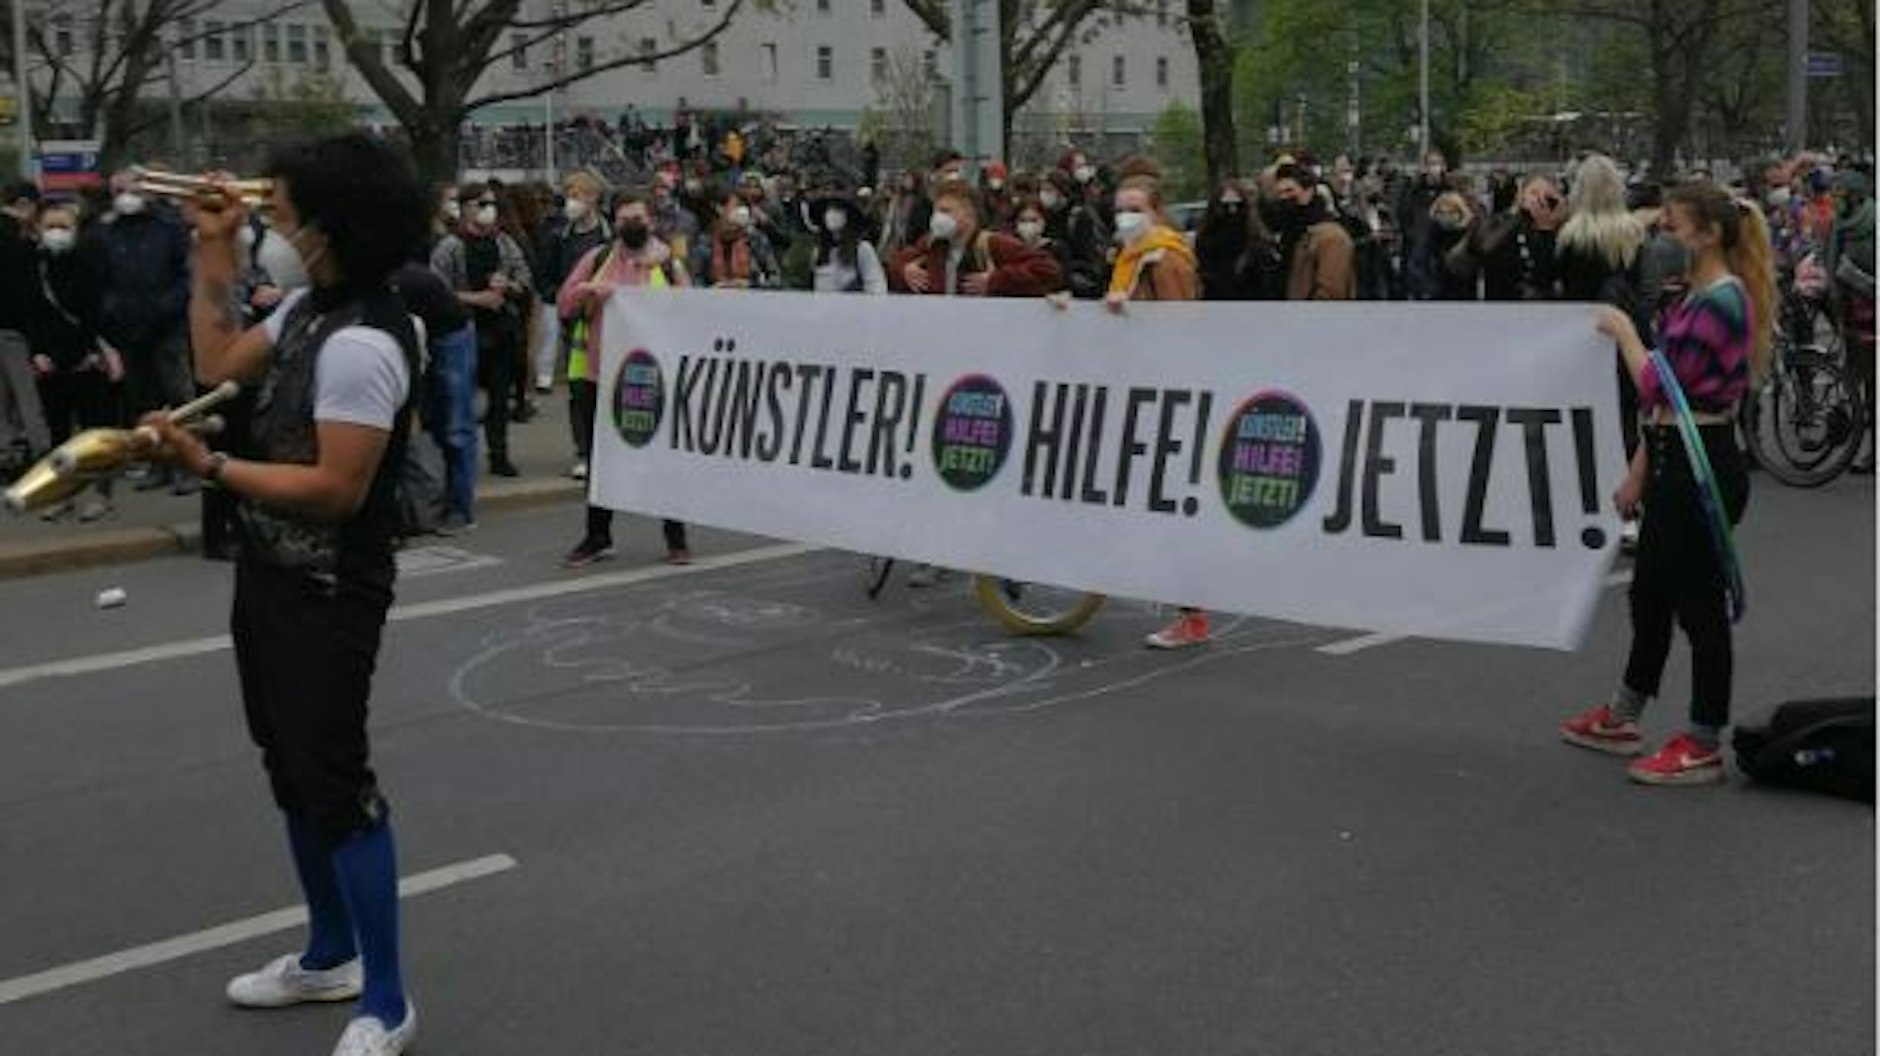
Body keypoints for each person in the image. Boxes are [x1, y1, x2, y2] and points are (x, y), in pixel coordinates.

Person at [138, 132, 430, 1055]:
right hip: (271, 573)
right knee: (291, 772)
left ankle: (384, 1000)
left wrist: (211, 463)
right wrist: (212, 246)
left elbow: (337, 490)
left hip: (331, 587)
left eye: (285, 214)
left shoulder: (364, 344)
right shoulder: (308, 308)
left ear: (329, 229)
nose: (277, 223)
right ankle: (329, 952)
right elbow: (218, 360)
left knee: (337, 785)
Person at [1561, 182, 1775, 787]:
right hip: (1674, 457)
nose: (1665, 238)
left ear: (1707, 234)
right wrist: (1638, 469)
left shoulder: (1723, 302)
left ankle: (1704, 739)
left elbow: (1661, 387)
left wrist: (1626, 333)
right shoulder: (1698, 296)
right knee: (1648, 594)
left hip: (1701, 466)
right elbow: (1665, 412)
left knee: (1699, 606)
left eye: (1674, 227)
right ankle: (1624, 713)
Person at [1092, 175, 1212, 650]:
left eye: (1136, 208)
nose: (1126, 216)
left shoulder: (1165, 258)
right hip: (1142, 391)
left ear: (1156, 212)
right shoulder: (1132, 257)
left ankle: (1192, 613)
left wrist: (1131, 318)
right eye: (1120, 208)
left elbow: (1179, 328)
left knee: (1169, 508)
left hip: (1166, 396)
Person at [559, 189, 694, 568]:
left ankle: (676, 537)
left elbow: (691, 314)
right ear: (613, 222)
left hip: (652, 379)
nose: (630, 225)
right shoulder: (597, 258)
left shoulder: (669, 264)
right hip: (597, 376)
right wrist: (589, 293)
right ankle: (597, 537)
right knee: (601, 463)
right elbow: (566, 303)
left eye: (637, 218)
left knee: (662, 458)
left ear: (651, 220)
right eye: (623, 219)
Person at [1557, 153, 1650, 545]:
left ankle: (1588, 501)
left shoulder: (1571, 236)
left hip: (1584, 339)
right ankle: (1631, 508)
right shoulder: (1633, 232)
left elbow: (1560, 288)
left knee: (1586, 423)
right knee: (1627, 418)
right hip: (1627, 332)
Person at [99, 170, 196, 493]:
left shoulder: (168, 228)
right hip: (129, 328)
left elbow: (186, 274)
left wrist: (166, 305)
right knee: (143, 400)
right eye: (117, 190)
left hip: (167, 325)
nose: (124, 195)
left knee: (178, 398)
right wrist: (114, 306)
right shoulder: (110, 232)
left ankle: (189, 465)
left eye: (129, 189)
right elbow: (105, 279)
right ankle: (158, 463)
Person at [28, 200, 121, 522]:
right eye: (50, 226)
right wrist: (38, 354)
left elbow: (95, 314)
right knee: (59, 434)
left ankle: (101, 495)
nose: (56, 232)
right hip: (49, 363)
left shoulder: (89, 263)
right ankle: (62, 494)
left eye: (63, 226)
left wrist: (90, 353)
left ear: (76, 229)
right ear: (38, 229)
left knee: (94, 433)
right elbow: (31, 315)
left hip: (86, 360)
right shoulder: (35, 266)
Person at [432, 184, 533, 477]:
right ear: (465, 208)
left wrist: (510, 286)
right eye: (481, 203)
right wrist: (476, 299)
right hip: (464, 333)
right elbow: (437, 291)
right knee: (461, 399)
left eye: (491, 204)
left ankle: (499, 455)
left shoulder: (504, 242)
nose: (488, 209)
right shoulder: (449, 246)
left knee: (500, 399)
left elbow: (525, 277)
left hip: (501, 332)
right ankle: (458, 460)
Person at [533, 171, 612, 463]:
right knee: (579, 388)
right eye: (568, 195)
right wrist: (565, 301)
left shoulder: (610, 235)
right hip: (574, 324)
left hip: (607, 321)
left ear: (593, 198)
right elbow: (544, 278)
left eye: (576, 195)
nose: (571, 202)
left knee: (608, 386)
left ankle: (606, 449)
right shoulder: (557, 236)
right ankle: (584, 452)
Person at [0, 180, 50, 473]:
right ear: (24, 205)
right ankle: (40, 454)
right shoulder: (21, 242)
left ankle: (6, 457)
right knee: (28, 398)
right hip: (15, 332)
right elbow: (27, 294)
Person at [1471, 175, 1565, 302]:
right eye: (1534, 193)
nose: (1539, 200)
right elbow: (1486, 249)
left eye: (1545, 196)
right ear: (1520, 195)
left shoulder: (1556, 228)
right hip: (1501, 305)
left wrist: (1547, 228)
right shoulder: (1499, 222)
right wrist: (1521, 215)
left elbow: (1548, 275)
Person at [1271, 165, 1356, 301]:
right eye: (1280, 193)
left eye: (1289, 191)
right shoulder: (1291, 233)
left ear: (1308, 191)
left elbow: (1330, 293)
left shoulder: (1331, 236)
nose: (1284, 198)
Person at [1194, 179, 1273, 301]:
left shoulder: (1256, 238)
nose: (1232, 210)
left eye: (1238, 205)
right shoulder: (1206, 239)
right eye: (1226, 206)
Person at [690, 190, 781, 289]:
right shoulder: (705, 241)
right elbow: (695, 279)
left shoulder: (756, 240)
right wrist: (713, 288)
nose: (742, 211)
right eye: (736, 206)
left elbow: (775, 279)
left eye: (744, 207)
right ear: (720, 209)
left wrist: (751, 285)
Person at [809, 189, 888, 294]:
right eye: (828, 209)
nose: (831, 214)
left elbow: (876, 287)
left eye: (837, 209)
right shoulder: (819, 251)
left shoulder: (862, 249)